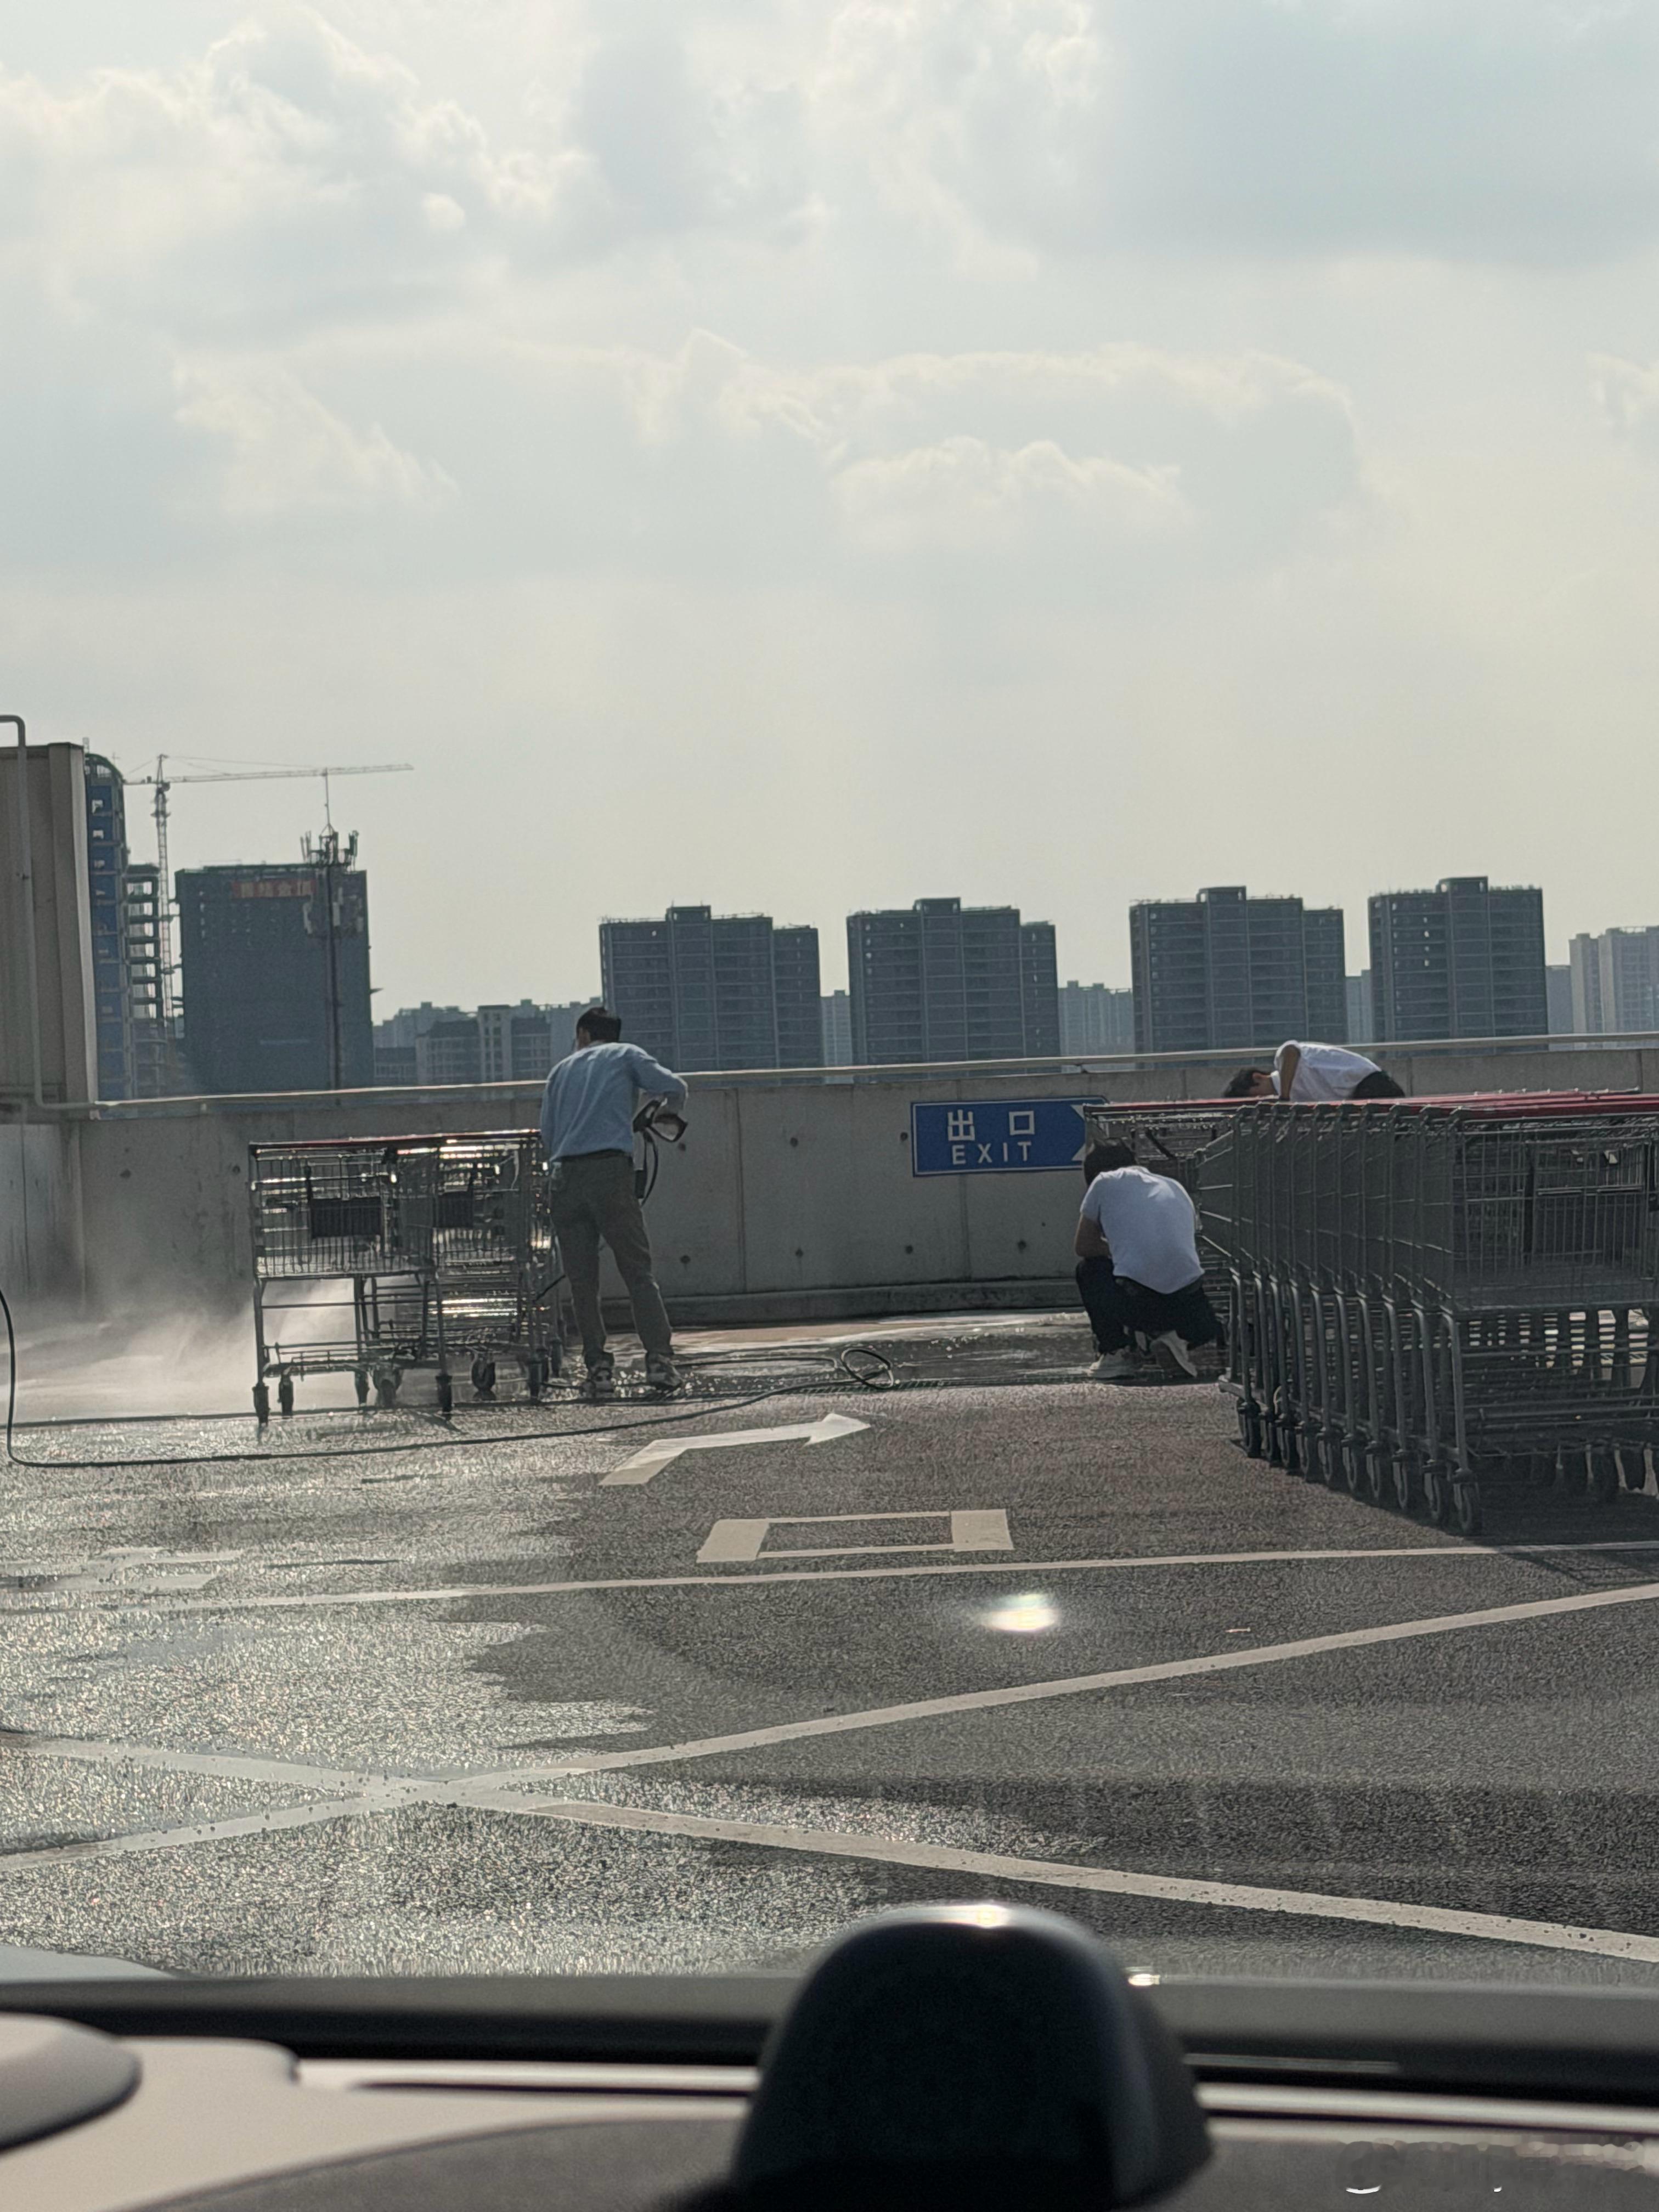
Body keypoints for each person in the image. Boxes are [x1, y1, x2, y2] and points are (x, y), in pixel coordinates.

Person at [539, 1007, 688, 1399]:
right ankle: (658, 1361)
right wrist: (659, 1113)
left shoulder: (561, 1071)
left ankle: (598, 1370)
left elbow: (549, 1135)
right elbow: (676, 1086)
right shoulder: (626, 1055)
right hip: (610, 1172)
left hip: (566, 1178)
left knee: (583, 1282)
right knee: (638, 1272)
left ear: (584, 1034)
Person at [1074, 1142, 1225, 1383]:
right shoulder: (1174, 1186)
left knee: (1089, 1270)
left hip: (1141, 1305)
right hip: (1193, 1305)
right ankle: (1179, 1339)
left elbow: (1084, 1246)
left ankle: (1116, 1352)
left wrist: (1119, 1249)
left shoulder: (1103, 1182)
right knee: (1167, 1280)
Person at [1223, 1040, 1404, 1102]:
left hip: (1371, 1084)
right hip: (1358, 1094)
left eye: (1254, 1095)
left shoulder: (1283, 1062)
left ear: (1258, 1078)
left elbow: (1291, 1051)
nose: (1259, 1100)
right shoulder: (1298, 1097)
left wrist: (1284, 1097)